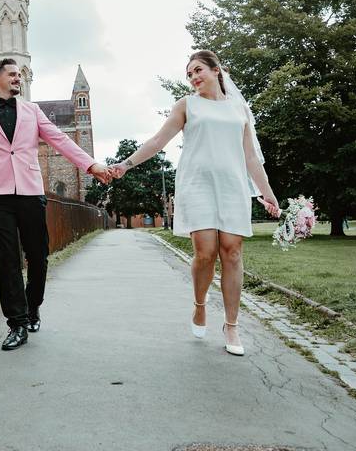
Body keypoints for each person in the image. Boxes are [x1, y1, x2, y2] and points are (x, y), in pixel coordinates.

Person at [110, 50, 280, 356]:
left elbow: (251, 158)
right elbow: (157, 142)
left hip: (232, 186)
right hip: (197, 184)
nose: (193, 77)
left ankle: (231, 325)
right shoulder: (187, 105)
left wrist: (267, 193)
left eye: (198, 70)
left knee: (232, 251)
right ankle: (200, 304)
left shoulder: (239, 109)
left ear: (217, 70)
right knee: (206, 252)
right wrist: (126, 164)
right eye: (189, 74)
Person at [0, 58, 113, 350]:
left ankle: (33, 307)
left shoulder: (33, 111)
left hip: (31, 193)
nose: (18, 79)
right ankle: (16, 323)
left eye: (20, 75)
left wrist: (91, 165)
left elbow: (60, 140)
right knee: (8, 260)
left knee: (38, 256)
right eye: (12, 74)